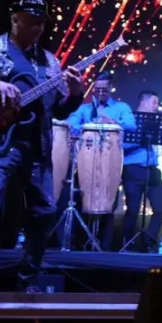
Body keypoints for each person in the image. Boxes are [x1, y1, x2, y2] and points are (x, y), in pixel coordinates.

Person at [0, 0, 84, 292]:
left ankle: (28, 282)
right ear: (15, 20)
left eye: (42, 23)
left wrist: (75, 94)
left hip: (37, 146)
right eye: (33, 22)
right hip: (0, 142)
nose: (39, 28)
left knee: (45, 211)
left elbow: (58, 110)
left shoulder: (49, 61)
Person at [66, 71, 136, 250]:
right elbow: (71, 123)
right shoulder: (85, 108)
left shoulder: (121, 107)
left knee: (108, 204)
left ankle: (104, 248)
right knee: (81, 200)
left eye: (104, 90)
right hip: (86, 161)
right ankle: (79, 245)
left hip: (110, 161)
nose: (100, 93)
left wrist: (113, 122)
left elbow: (132, 126)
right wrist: (84, 127)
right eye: (97, 90)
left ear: (111, 88)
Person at [118, 91, 162, 251]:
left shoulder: (154, 121)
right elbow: (121, 145)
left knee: (160, 209)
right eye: (154, 103)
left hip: (152, 169)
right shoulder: (129, 120)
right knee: (132, 210)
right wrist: (141, 138)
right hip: (133, 168)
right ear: (144, 103)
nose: (156, 106)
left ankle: (148, 243)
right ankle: (128, 244)